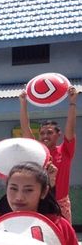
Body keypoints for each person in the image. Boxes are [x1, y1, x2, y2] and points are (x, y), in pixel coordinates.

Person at [20, 86, 78, 222]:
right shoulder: (37, 151)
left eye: (50, 132)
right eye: (42, 133)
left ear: (58, 134)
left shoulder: (65, 150)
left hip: (61, 203)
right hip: (40, 202)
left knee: (63, 239)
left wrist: (72, 102)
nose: (45, 136)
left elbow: (71, 127)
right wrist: (23, 104)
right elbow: (25, 129)